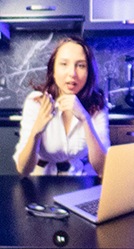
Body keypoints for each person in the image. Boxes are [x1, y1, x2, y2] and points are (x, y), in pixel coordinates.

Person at [14, 37, 111, 177]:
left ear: (89, 71)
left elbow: (103, 170)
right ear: (53, 70)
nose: (72, 73)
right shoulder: (36, 101)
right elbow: (23, 169)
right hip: (43, 182)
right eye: (64, 64)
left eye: (81, 65)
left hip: (81, 179)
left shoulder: (98, 105)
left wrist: (85, 119)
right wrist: (36, 131)